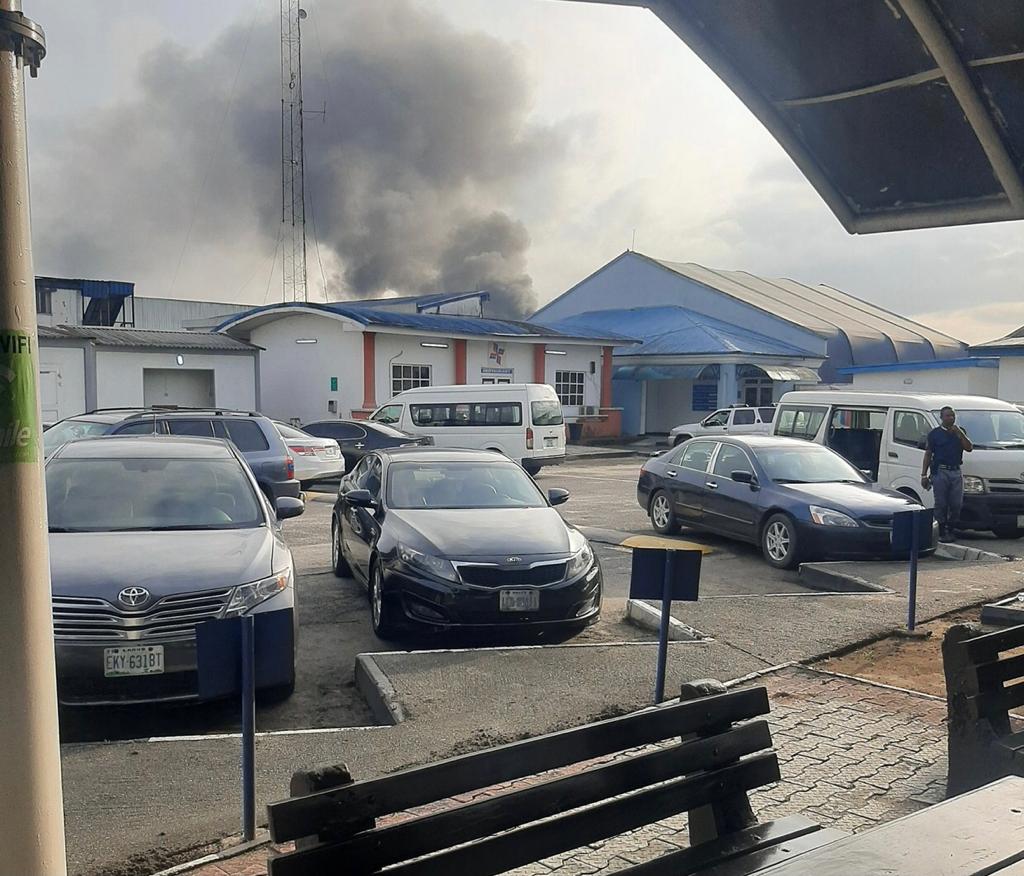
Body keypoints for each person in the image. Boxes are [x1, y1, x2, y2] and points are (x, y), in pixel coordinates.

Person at [921, 406, 973, 542]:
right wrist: (924, 474)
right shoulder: (934, 434)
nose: (951, 418)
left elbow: (969, 448)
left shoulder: (959, 432)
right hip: (940, 471)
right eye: (948, 416)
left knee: (956, 503)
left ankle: (951, 529)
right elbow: (928, 453)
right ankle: (942, 531)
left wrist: (960, 433)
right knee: (941, 503)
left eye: (953, 416)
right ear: (941, 418)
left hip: (956, 470)